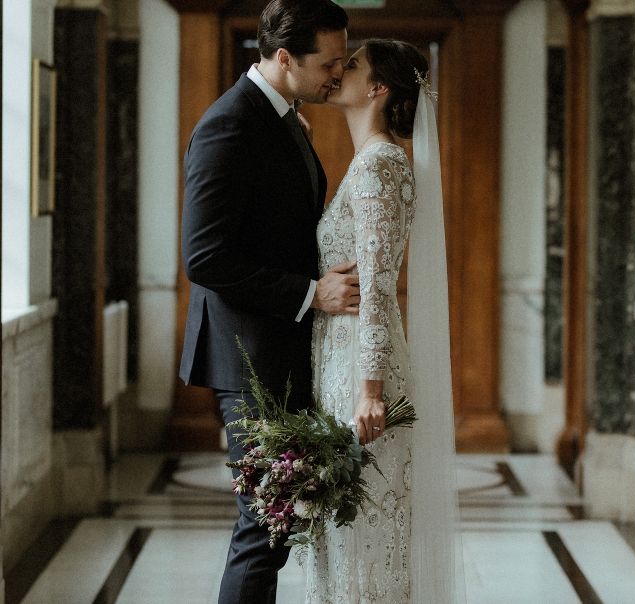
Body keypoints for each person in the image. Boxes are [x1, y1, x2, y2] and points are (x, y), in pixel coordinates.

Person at [179, 1, 359, 603]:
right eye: (328, 63)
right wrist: (312, 292)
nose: (338, 72)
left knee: (275, 530)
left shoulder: (283, 117)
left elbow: (277, 224)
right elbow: (204, 256)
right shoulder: (229, 123)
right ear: (284, 58)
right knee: (264, 530)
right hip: (249, 355)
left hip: (279, 350)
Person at [305, 39, 463, 603]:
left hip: (363, 373)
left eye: (350, 66)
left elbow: (376, 289)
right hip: (342, 360)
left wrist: (369, 391)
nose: (336, 72)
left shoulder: (379, 165)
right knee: (347, 534)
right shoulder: (368, 161)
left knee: (365, 532)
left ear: (378, 90)